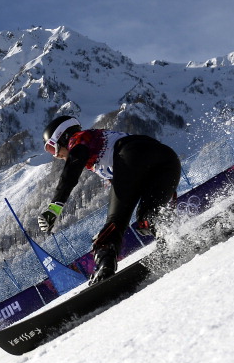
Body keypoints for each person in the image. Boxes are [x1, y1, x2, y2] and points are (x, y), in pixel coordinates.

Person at [38, 115, 181, 285]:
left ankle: (104, 269)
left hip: (131, 155)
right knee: (147, 219)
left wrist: (55, 207)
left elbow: (70, 173)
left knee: (113, 225)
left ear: (63, 137)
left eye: (51, 148)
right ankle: (172, 241)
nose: (55, 156)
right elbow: (135, 179)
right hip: (167, 159)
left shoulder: (78, 140)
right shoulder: (102, 141)